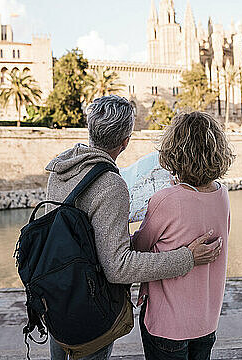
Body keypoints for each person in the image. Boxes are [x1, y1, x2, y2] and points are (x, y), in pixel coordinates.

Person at [45, 96, 223, 360]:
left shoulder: (60, 169)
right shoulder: (111, 184)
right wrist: (188, 257)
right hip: (91, 304)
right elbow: (118, 267)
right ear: (126, 140)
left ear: (91, 129)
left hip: (56, 294)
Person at [132, 111, 234, 360]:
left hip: (168, 324)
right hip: (206, 321)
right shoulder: (222, 194)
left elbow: (138, 247)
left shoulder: (166, 199)